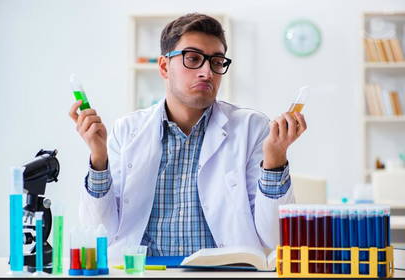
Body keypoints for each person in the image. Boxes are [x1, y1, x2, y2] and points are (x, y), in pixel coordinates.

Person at [69, 13, 307, 257]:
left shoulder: (251, 128)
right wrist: (98, 159)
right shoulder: (127, 130)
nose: (207, 72)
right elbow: (99, 231)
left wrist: (275, 162)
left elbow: (275, 237)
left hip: (224, 275)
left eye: (216, 62)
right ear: (164, 66)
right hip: (146, 275)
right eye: (193, 59)